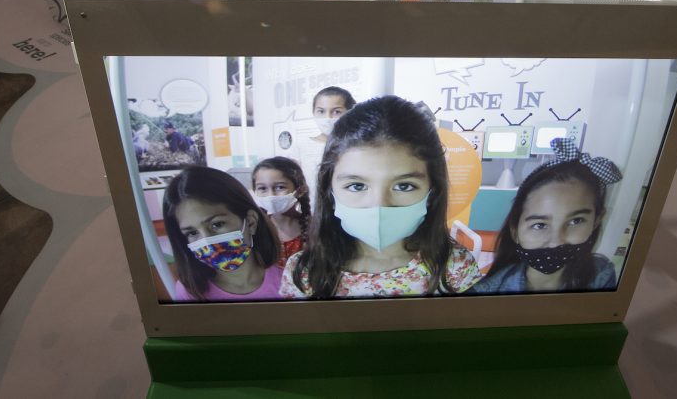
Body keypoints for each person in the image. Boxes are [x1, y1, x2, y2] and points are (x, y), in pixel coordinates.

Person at [281, 96, 481, 299]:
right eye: (357, 186)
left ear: (433, 190)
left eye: (404, 186)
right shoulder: (305, 272)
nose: (378, 205)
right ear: (329, 190)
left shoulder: (455, 268)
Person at [472, 139, 622, 294]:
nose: (556, 242)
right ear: (515, 230)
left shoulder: (602, 275)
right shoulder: (486, 291)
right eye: (540, 225)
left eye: (575, 221)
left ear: (596, 221)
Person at [163, 166, 282, 301]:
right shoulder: (191, 294)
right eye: (192, 233)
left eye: (217, 224)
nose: (207, 240)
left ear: (250, 222)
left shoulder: (287, 281)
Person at [252, 157, 312, 267]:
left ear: (300, 190)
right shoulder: (255, 230)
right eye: (262, 188)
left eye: (280, 187)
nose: (271, 195)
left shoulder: (314, 228)